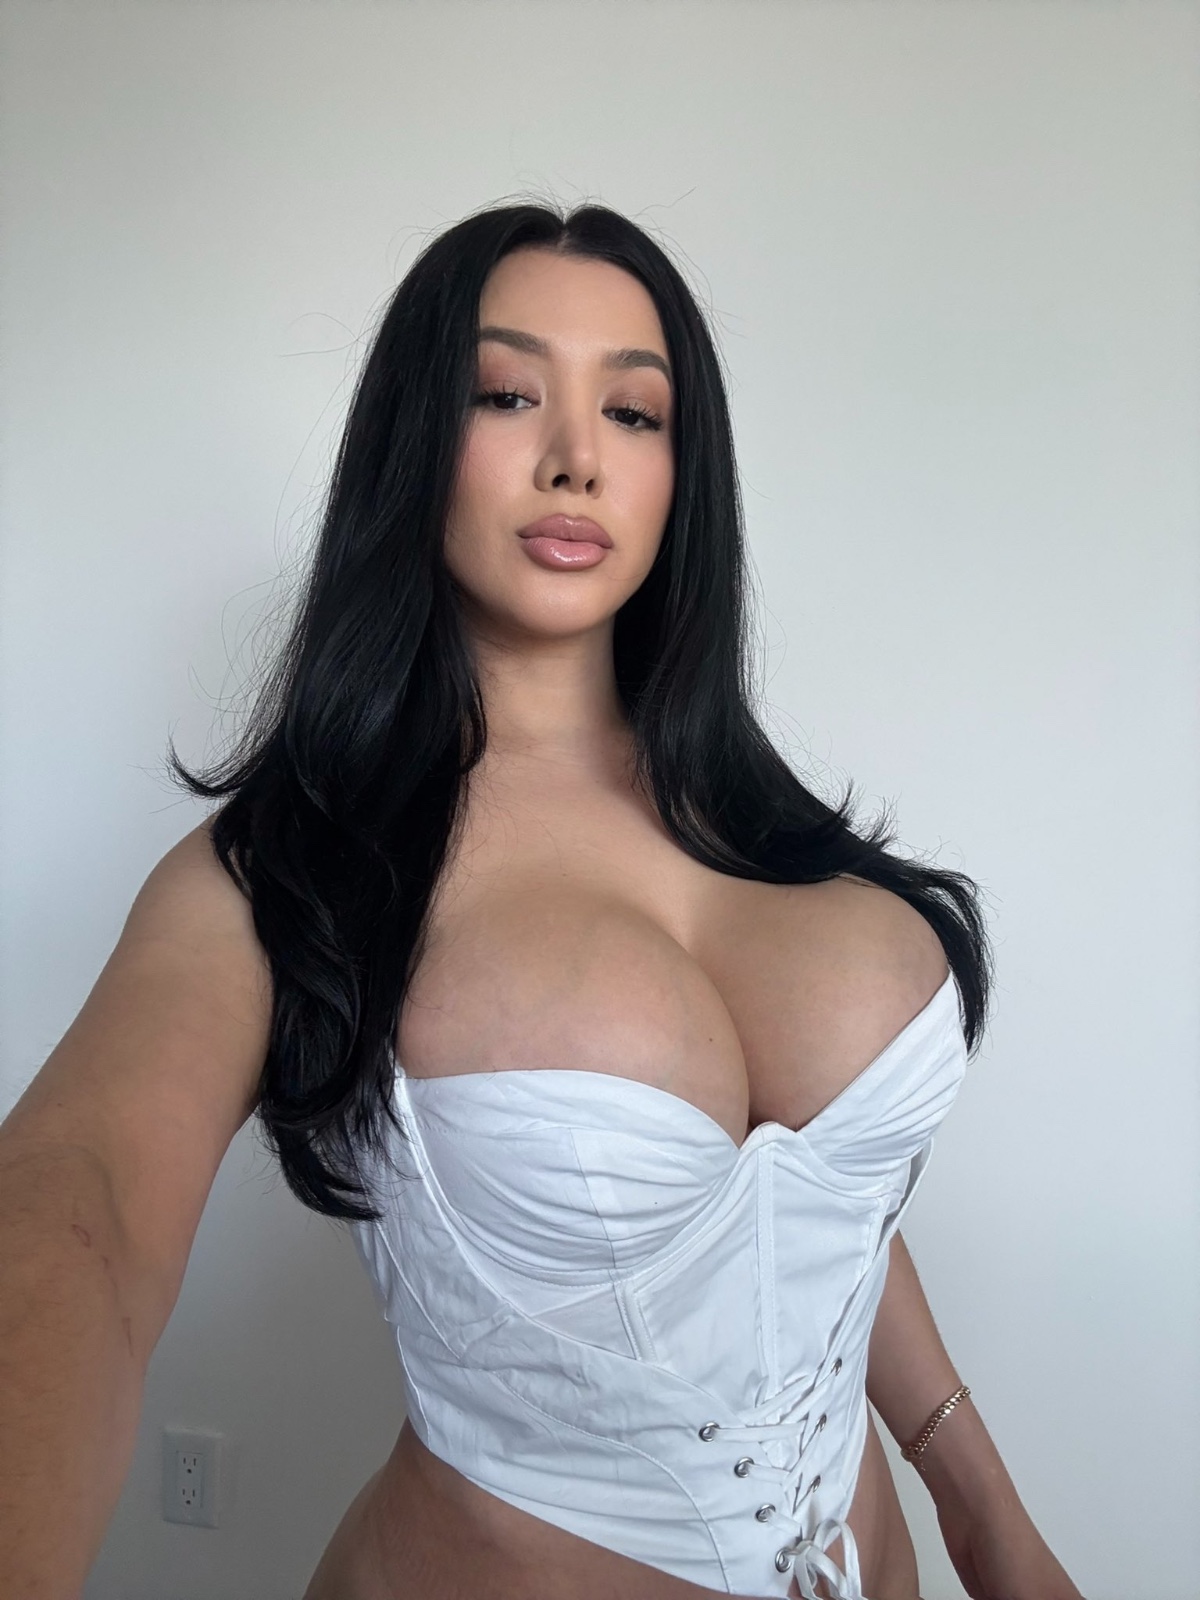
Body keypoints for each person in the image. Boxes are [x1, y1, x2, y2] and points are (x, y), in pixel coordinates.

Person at [0, 201, 1085, 1600]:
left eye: (634, 413)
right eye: (507, 395)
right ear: (413, 443)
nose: (577, 456)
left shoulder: (761, 824)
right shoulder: (295, 870)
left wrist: (988, 1517)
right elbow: (78, 1207)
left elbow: (815, 1209)